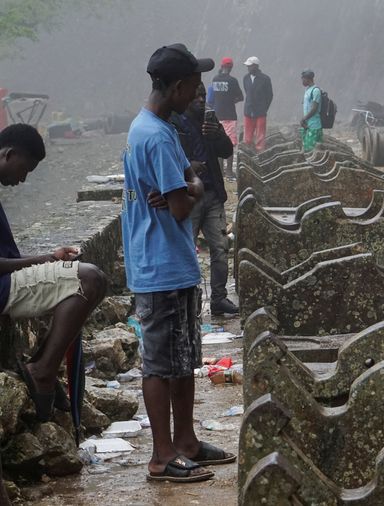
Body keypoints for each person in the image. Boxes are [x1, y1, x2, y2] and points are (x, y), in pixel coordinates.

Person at [122, 43, 234, 484]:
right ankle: (161, 456)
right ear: (177, 86)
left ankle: (185, 441)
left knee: (184, 357)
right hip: (160, 264)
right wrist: (193, 186)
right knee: (160, 363)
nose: (199, 92)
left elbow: (189, 185)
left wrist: (190, 185)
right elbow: (185, 204)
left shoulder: (160, 127)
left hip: (175, 262)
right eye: (194, 85)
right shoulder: (152, 134)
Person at [0, 123, 107, 423]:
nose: (23, 179)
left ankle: (41, 365)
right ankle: (43, 369)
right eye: (25, 170)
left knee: (91, 278)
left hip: (7, 282)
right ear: (9, 154)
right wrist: (47, 259)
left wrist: (50, 261)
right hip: (2, 287)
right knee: (89, 278)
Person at [172, 82, 238, 316]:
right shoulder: (174, 123)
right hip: (188, 197)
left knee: (220, 248)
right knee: (187, 250)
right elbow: (168, 158)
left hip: (213, 195)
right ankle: (191, 299)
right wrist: (189, 165)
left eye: (203, 96)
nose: (201, 100)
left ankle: (219, 298)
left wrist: (217, 134)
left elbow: (227, 151)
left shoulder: (209, 119)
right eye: (196, 96)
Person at [209, 56, 243, 179]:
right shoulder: (233, 81)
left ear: (221, 66)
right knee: (230, 143)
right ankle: (229, 171)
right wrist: (232, 100)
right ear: (231, 67)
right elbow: (240, 96)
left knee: (218, 141)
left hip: (217, 115)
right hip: (229, 116)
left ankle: (220, 171)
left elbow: (212, 97)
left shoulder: (215, 79)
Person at [242, 56, 272, 151]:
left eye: (250, 66)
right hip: (248, 110)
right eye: (247, 66)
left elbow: (269, 95)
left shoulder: (265, 79)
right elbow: (247, 92)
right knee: (247, 135)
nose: (248, 68)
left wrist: (264, 107)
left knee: (260, 135)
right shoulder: (245, 78)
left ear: (256, 66)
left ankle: (260, 153)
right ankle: (248, 151)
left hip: (260, 111)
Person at [300, 69, 323, 152]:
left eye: (303, 79)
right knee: (307, 149)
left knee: (313, 151)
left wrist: (304, 118)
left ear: (308, 79)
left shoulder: (315, 90)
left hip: (314, 126)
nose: (302, 81)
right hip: (307, 125)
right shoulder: (307, 90)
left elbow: (314, 109)